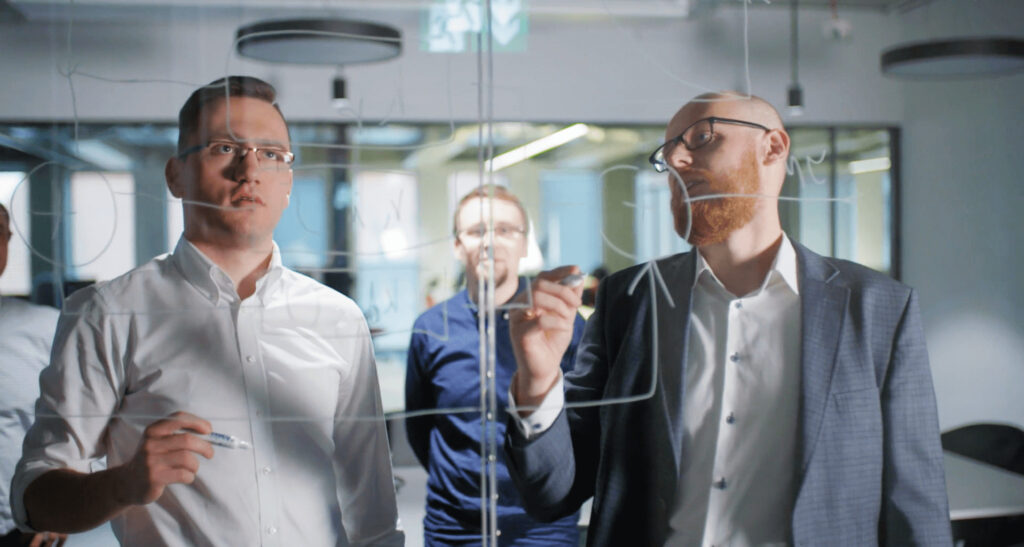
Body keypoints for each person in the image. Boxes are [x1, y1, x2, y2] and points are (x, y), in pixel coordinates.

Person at [504, 92, 951, 546]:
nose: (676, 158)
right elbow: (551, 494)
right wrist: (538, 383)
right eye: (666, 153)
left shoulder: (878, 308)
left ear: (773, 147)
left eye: (700, 137)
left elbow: (915, 507)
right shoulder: (629, 301)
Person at [10, 76, 403, 546]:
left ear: (288, 184)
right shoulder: (107, 314)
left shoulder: (338, 319)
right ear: (176, 175)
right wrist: (124, 483)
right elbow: (35, 498)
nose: (250, 169)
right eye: (224, 148)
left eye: (271, 154)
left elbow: (373, 514)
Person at [405, 185, 583, 545]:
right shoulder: (430, 328)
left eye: (505, 230)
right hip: (453, 529)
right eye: (476, 232)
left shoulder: (560, 326)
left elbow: (583, 429)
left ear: (524, 244)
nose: (490, 242)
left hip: (542, 529)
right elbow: (420, 429)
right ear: (458, 245)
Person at [0, 204, 65, 547]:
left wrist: (66, 497)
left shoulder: (45, 327)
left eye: (0, 232)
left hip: (21, 529)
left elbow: (92, 417)